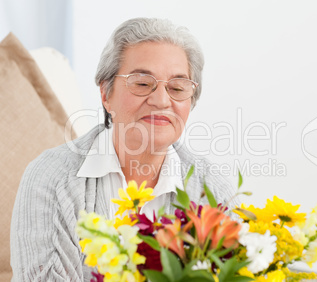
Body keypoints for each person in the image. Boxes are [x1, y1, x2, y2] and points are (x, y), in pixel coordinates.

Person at [10, 18, 238, 281]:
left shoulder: (213, 188)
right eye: (142, 83)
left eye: (177, 88)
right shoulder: (50, 179)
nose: (162, 100)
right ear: (106, 94)